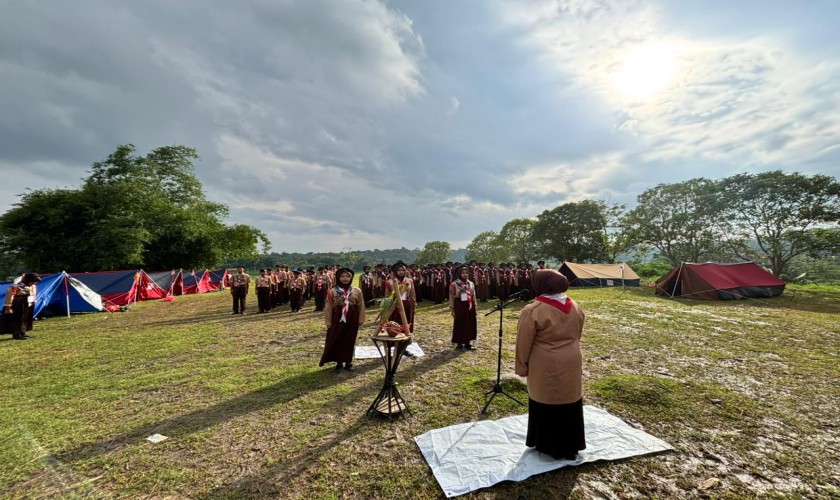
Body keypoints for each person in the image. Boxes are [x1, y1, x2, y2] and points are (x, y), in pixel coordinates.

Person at [515, 269, 586, 460]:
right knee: (569, 400)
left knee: (546, 399)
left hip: (545, 362)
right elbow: (578, 332)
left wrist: (521, 366)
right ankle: (571, 444)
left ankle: (548, 445)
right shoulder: (575, 306)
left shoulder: (533, 310)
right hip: (572, 358)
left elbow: (524, 342)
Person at [320, 268, 366, 371]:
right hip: (338, 317)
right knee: (337, 337)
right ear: (338, 278)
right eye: (342, 276)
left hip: (352, 316)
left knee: (350, 338)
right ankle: (339, 362)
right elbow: (328, 307)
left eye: (347, 276)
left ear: (351, 277)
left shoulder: (356, 290)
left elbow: (361, 305)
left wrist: (361, 319)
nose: (345, 279)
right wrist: (328, 321)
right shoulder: (332, 291)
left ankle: (348, 362)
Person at [1, 272, 40, 340]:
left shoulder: (33, 286)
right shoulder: (16, 286)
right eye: (32, 281)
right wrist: (8, 307)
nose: (33, 283)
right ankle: (16, 334)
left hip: (26, 305)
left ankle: (22, 333)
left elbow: (32, 295)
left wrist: (32, 302)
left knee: (25, 319)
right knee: (17, 320)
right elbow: (10, 296)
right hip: (17, 305)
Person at [449, 265, 477, 350]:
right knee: (460, 324)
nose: (465, 274)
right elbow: (451, 297)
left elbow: (474, 296)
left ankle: (468, 343)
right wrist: (452, 310)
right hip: (459, 305)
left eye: (466, 273)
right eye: (463, 273)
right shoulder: (454, 284)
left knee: (470, 323)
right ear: (459, 274)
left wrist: (475, 307)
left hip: (469, 305)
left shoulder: (471, 283)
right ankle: (460, 343)